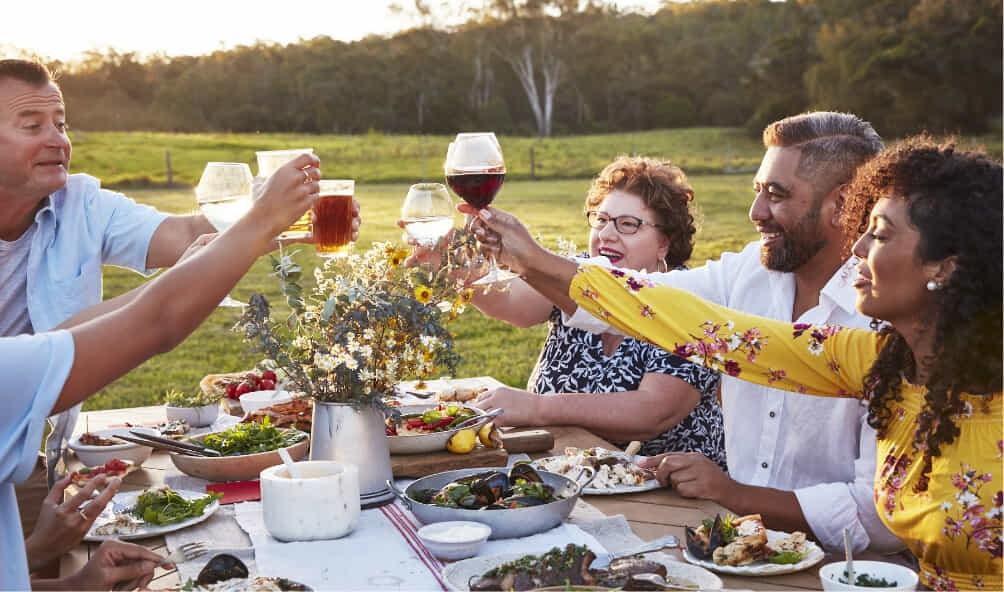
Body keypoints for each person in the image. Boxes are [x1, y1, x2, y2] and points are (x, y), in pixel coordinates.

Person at [471, 137, 1002, 591]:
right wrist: (533, 259)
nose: (859, 245)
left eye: (880, 233)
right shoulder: (867, 359)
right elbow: (698, 327)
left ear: (946, 267)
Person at [507, 112, 899, 553]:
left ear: (843, 203)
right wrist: (527, 258)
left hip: (847, 569)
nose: (756, 213)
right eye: (757, 191)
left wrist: (734, 494)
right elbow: (643, 301)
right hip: (733, 547)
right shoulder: (750, 270)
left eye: (776, 194)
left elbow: (879, 515)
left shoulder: (888, 318)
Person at [2, 151, 336, 589]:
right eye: (30, 124)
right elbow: (155, 321)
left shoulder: (74, 201)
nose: (54, 139)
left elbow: (74, 332)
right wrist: (261, 221)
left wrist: (61, 573)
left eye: (58, 122)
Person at [464, 156, 724, 462]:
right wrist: (453, 271)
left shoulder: (689, 299)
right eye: (601, 220)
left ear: (664, 244)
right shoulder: (581, 275)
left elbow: (653, 412)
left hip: (669, 490)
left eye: (628, 224)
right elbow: (512, 304)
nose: (606, 234)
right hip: (566, 471)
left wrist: (537, 407)